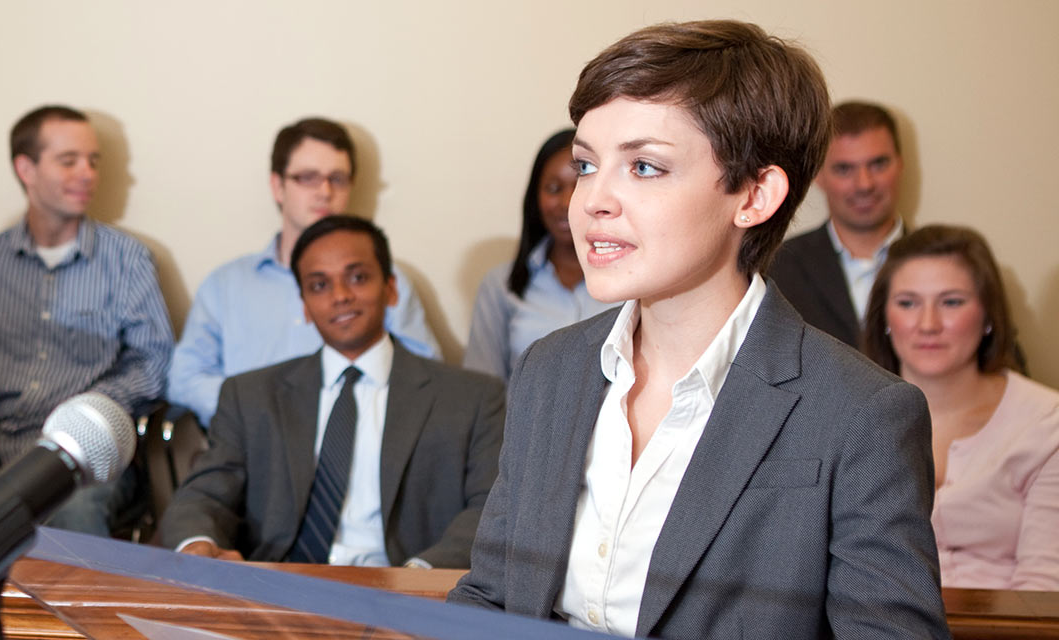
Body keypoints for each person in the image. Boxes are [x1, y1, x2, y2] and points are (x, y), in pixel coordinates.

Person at [447, 20, 949, 639]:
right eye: (586, 164)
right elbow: (494, 593)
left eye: (645, 168)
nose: (593, 200)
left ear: (756, 194)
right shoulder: (548, 369)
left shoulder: (861, 413)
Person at [159, 216, 503, 568]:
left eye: (357, 277)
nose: (340, 296)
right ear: (305, 306)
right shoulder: (250, 396)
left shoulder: (473, 399)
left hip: (406, 591)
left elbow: (490, 509)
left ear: (391, 288)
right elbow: (204, 495)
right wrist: (198, 544)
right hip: (278, 587)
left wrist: (420, 576)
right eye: (319, 285)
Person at [0, 104, 172, 538]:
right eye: (69, 161)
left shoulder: (127, 259)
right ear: (25, 168)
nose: (87, 173)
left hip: (81, 456)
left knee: (75, 515)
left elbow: (153, 363)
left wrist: (85, 413)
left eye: (93, 161)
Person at [168, 118, 440, 427]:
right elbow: (185, 379)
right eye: (308, 178)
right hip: (251, 444)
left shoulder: (385, 278)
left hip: (358, 436)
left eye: (337, 179)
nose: (324, 191)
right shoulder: (225, 285)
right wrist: (258, 409)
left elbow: (425, 373)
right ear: (277, 186)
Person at [862, 225, 1058, 591]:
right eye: (907, 303)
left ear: (987, 316)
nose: (928, 324)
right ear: (885, 318)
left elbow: (1044, 595)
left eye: (951, 302)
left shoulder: (1048, 423)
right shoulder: (844, 417)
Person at [463, 129, 617, 383]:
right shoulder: (501, 285)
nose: (568, 202)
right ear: (535, 198)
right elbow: (483, 392)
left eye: (580, 184)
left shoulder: (633, 280)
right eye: (554, 189)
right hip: (523, 423)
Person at [769, 101, 907, 346]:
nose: (864, 184)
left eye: (878, 164)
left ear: (900, 164)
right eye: (844, 169)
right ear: (818, 175)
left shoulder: (944, 267)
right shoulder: (776, 269)